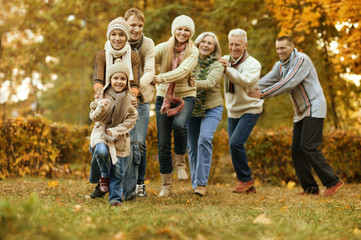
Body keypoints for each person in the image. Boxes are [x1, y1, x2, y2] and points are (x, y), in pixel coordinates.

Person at [251, 36, 344, 196]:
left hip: (314, 107)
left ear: (292, 47)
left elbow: (288, 83)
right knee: (296, 150)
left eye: (283, 48)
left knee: (308, 146)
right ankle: (310, 188)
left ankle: (333, 182)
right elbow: (265, 81)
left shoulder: (302, 60)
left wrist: (263, 94)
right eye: (278, 48)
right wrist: (246, 86)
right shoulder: (279, 66)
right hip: (300, 111)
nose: (280, 51)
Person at [90, 17, 140, 199]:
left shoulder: (134, 56)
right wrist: (99, 94)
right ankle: (100, 182)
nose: (117, 38)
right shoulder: (101, 54)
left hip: (126, 101)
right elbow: (98, 79)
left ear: (127, 37)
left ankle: (123, 191)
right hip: (106, 100)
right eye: (113, 34)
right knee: (99, 146)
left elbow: (135, 82)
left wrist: (132, 97)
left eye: (121, 34)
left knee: (122, 147)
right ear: (108, 36)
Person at [154, 15, 198, 197]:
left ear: (191, 33)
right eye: (179, 29)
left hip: (186, 95)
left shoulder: (193, 52)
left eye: (187, 30)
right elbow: (148, 59)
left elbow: (182, 72)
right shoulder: (163, 48)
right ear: (174, 30)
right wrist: (152, 73)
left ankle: (180, 162)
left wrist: (159, 78)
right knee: (163, 143)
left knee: (180, 125)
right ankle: (166, 186)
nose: (183, 32)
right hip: (163, 96)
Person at [218, 29, 263, 194]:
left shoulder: (253, 64)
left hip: (250, 108)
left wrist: (226, 70)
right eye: (231, 44)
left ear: (245, 45)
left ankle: (246, 179)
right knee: (233, 147)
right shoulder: (224, 60)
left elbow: (244, 81)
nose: (234, 47)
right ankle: (247, 184)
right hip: (233, 110)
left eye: (237, 44)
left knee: (236, 143)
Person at [89, 59, 138, 206]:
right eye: (115, 78)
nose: (119, 81)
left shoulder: (130, 101)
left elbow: (131, 121)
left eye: (123, 78)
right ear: (110, 80)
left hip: (119, 137)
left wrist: (115, 131)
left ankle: (115, 199)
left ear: (127, 81)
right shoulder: (102, 97)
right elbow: (93, 117)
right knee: (102, 152)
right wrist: (101, 107)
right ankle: (104, 176)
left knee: (118, 170)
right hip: (101, 133)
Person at [186, 32, 224, 196]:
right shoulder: (189, 61)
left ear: (214, 48)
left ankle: (201, 184)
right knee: (192, 146)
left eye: (210, 43)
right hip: (192, 107)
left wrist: (193, 83)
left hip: (212, 108)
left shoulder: (217, 65)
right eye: (204, 42)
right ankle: (195, 183)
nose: (206, 45)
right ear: (198, 43)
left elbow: (210, 83)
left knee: (205, 139)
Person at [124, 8, 155, 198]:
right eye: (133, 25)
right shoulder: (116, 39)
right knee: (121, 140)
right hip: (120, 99)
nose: (136, 29)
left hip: (142, 99)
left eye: (140, 25)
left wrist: (134, 89)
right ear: (125, 23)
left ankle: (139, 184)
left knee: (139, 142)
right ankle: (117, 182)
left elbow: (150, 72)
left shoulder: (148, 44)